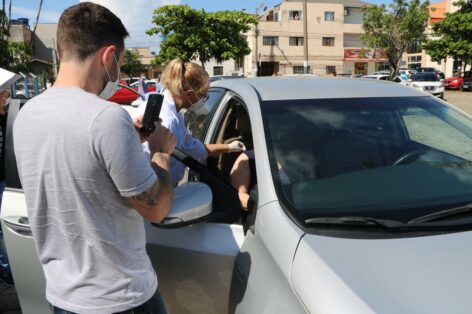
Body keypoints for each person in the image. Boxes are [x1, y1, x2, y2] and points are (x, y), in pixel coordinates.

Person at [13, 3, 176, 313]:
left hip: (62, 297)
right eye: (120, 63)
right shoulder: (106, 118)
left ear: (62, 50)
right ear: (108, 56)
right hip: (121, 300)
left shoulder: (27, 115)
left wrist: (130, 140)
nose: (118, 72)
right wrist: (159, 154)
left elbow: (77, 170)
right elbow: (156, 209)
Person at [135, 59, 246, 184]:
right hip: (156, 191)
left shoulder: (176, 114)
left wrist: (230, 147)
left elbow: (193, 148)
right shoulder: (166, 121)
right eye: (204, 96)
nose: (204, 101)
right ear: (190, 94)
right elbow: (153, 167)